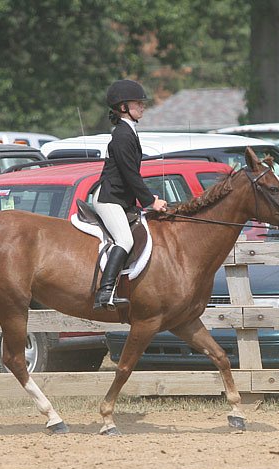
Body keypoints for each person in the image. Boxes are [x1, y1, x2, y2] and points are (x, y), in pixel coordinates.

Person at [92, 79, 168, 309]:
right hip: (109, 199)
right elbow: (130, 175)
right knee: (124, 239)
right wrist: (150, 201)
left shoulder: (128, 131)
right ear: (124, 107)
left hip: (120, 197)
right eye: (138, 103)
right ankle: (104, 292)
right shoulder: (122, 135)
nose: (143, 106)